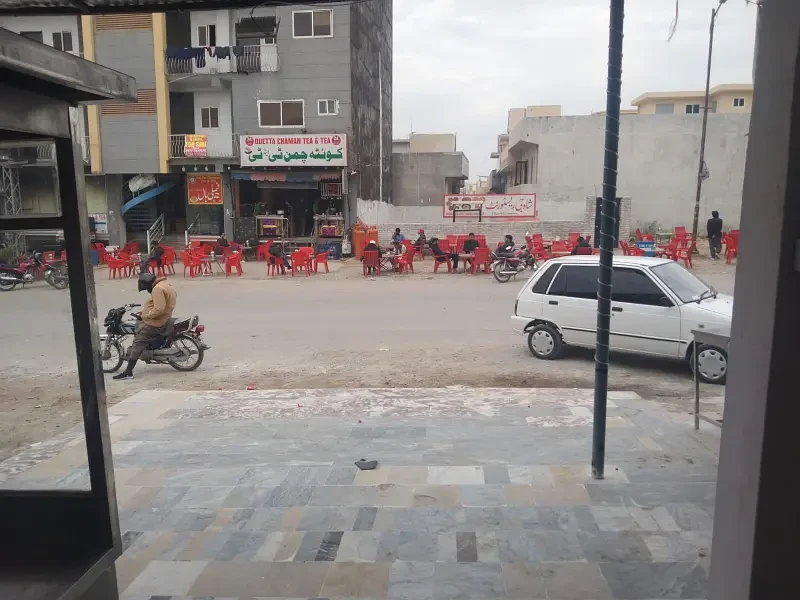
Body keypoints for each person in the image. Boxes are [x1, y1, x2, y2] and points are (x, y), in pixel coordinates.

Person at [113, 272, 177, 380]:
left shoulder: (157, 289)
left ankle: (128, 372)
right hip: (163, 318)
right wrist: (144, 312)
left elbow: (159, 309)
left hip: (155, 322)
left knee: (137, 343)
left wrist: (146, 315)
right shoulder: (165, 284)